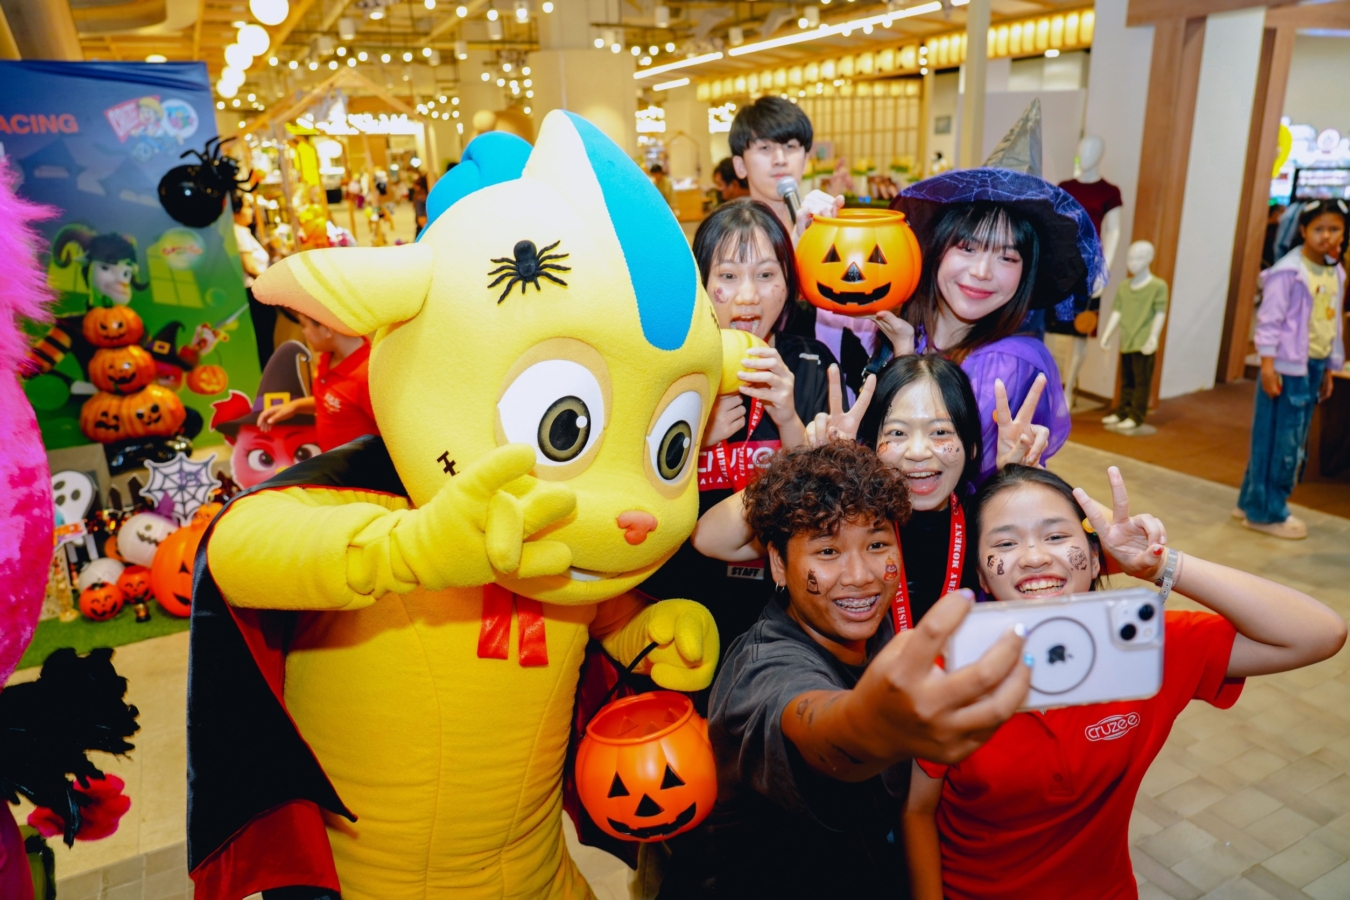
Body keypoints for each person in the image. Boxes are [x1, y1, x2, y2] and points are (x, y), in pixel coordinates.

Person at [904, 464, 1346, 900]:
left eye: (1056, 536)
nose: (1034, 556)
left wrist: (1158, 564)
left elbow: (1319, 634)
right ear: (981, 574)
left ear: (1097, 557)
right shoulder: (949, 669)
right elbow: (918, 810)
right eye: (1005, 543)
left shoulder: (1142, 647)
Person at [659, 442, 1031, 898]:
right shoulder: (762, 670)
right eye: (828, 551)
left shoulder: (869, 623)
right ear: (779, 563)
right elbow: (822, 726)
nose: (860, 576)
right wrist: (876, 726)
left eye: (876, 544)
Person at [693, 354, 1050, 627]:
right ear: (870, 444)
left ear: (971, 446)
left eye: (940, 432)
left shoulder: (984, 520)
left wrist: (1017, 482)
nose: (918, 451)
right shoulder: (841, 518)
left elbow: (1060, 573)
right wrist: (810, 464)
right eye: (897, 433)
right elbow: (710, 539)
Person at [639, 198, 839, 651]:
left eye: (766, 275)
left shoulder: (812, 364)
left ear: (788, 283)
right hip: (684, 600)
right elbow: (635, 485)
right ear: (702, 284)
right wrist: (693, 442)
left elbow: (824, 504)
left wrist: (788, 418)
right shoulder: (672, 368)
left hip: (786, 607)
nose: (748, 295)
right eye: (728, 276)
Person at [879, 171, 1106, 479]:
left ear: (1025, 274)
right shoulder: (893, 330)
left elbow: (930, 468)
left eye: (1007, 258)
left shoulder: (1010, 364)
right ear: (937, 249)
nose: (982, 272)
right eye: (967, 248)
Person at [728, 96, 874, 393]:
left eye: (791, 146)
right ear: (740, 165)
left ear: (806, 159)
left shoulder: (829, 227)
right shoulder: (727, 240)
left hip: (826, 377)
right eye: (765, 148)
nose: (780, 158)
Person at [1236, 199, 1347, 539]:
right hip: (1287, 367)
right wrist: (1268, 365)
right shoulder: (1289, 270)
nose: (1326, 236)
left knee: (1286, 435)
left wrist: (1328, 368)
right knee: (1282, 440)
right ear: (1303, 230)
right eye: (1318, 228)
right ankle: (1266, 512)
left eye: (1334, 229)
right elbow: (1269, 321)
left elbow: (1330, 324)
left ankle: (1251, 501)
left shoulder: (1335, 271)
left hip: (1313, 365)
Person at [256, 311, 378, 452]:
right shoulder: (328, 357)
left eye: (304, 326)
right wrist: (294, 406)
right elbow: (333, 401)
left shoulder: (367, 376)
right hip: (333, 460)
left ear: (327, 329)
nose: (303, 333)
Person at [232, 192, 275, 368]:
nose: (251, 211)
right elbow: (249, 267)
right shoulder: (239, 232)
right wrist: (272, 282)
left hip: (255, 292)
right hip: (255, 293)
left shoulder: (241, 232)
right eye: (247, 207)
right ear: (236, 212)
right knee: (265, 339)